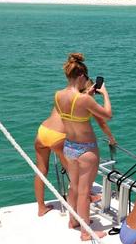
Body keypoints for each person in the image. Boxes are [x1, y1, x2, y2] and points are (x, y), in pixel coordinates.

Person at [33, 79, 116, 217]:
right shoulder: (83, 101)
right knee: (76, 176)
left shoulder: (64, 97)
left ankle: (41, 207)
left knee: (41, 170)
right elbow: (102, 121)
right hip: (58, 136)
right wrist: (112, 138)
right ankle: (88, 198)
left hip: (43, 130)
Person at [55, 53, 111, 241]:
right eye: (86, 78)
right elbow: (107, 115)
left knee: (74, 187)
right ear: (81, 76)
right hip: (86, 149)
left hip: (69, 147)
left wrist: (86, 95)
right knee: (84, 191)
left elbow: (74, 106)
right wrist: (105, 94)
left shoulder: (58, 95)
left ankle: (74, 221)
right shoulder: (85, 99)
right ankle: (86, 232)